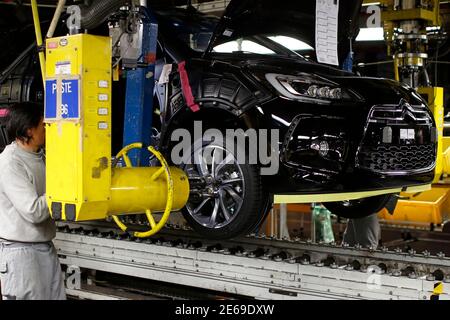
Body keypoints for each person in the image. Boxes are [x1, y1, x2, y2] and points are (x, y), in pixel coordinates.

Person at [0, 102, 66, 300]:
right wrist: (62, 188)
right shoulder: (11, 163)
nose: (47, 128)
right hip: (21, 253)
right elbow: (33, 211)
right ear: (29, 130)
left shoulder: (41, 156)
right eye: (43, 125)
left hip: (45, 246)